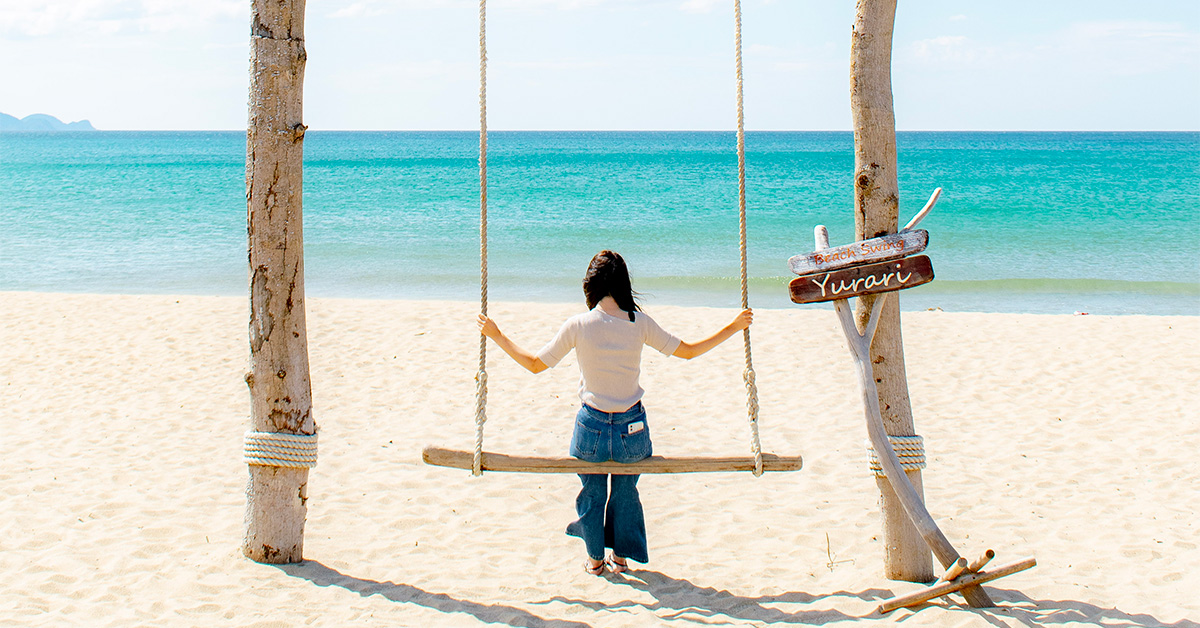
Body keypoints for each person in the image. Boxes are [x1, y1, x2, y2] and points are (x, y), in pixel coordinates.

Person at [477, 250, 753, 576]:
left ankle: (595, 560)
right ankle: (620, 558)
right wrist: (734, 326)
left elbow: (536, 364)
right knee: (625, 494)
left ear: (590, 284)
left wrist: (496, 335)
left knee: (592, 493)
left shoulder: (578, 325)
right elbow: (689, 352)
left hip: (591, 427)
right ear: (623, 283)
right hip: (630, 428)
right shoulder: (639, 323)